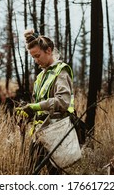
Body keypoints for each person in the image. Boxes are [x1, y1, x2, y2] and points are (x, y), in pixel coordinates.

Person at [16, 29, 75, 174]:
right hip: (39, 133)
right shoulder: (40, 77)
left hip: (56, 132)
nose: (36, 61)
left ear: (48, 50)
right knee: (29, 170)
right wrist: (26, 114)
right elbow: (39, 107)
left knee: (54, 174)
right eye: (33, 58)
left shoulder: (61, 72)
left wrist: (34, 107)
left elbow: (62, 102)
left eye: (37, 56)